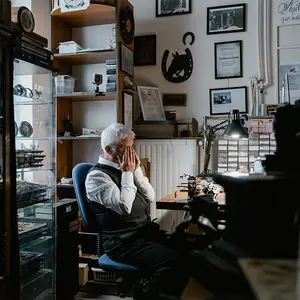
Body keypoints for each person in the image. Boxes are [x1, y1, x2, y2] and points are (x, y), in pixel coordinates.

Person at [85, 123, 190, 300]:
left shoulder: (127, 169)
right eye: (125, 149)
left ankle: (151, 290)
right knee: (172, 262)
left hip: (142, 234)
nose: (130, 154)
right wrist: (127, 173)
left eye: (131, 148)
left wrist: (137, 172)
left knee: (188, 249)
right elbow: (124, 207)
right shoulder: (96, 177)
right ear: (108, 149)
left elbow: (151, 196)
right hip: (122, 242)